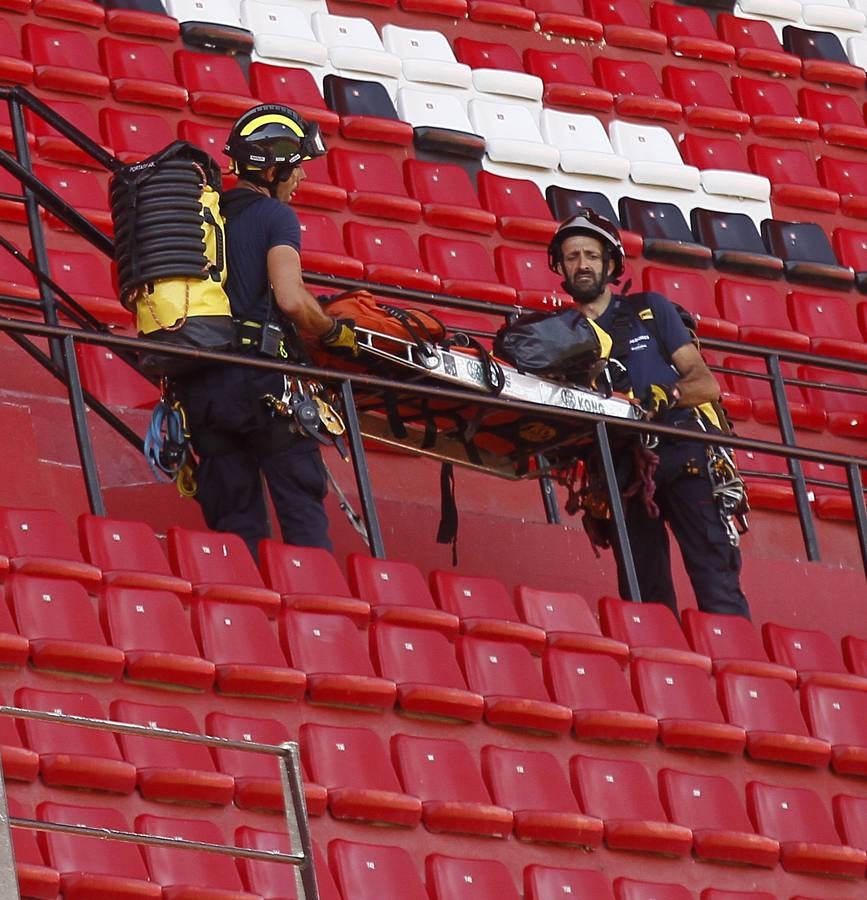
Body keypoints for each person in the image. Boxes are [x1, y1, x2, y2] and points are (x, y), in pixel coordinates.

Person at [173, 103, 358, 560]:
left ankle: (244, 623)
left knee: (235, 528)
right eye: (296, 169)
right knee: (303, 518)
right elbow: (292, 298)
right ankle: (318, 618)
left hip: (202, 388)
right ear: (273, 169)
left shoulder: (200, 216)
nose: (302, 179)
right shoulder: (275, 217)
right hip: (262, 386)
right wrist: (333, 332)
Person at [547, 209, 751, 619]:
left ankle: (738, 670)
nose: (582, 264)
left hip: (683, 453)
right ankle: (669, 675)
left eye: (590, 254)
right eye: (572, 257)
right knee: (644, 593)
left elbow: (705, 383)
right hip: (618, 467)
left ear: (610, 264)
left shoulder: (651, 309)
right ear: (561, 267)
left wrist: (667, 393)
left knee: (717, 584)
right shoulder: (557, 334)